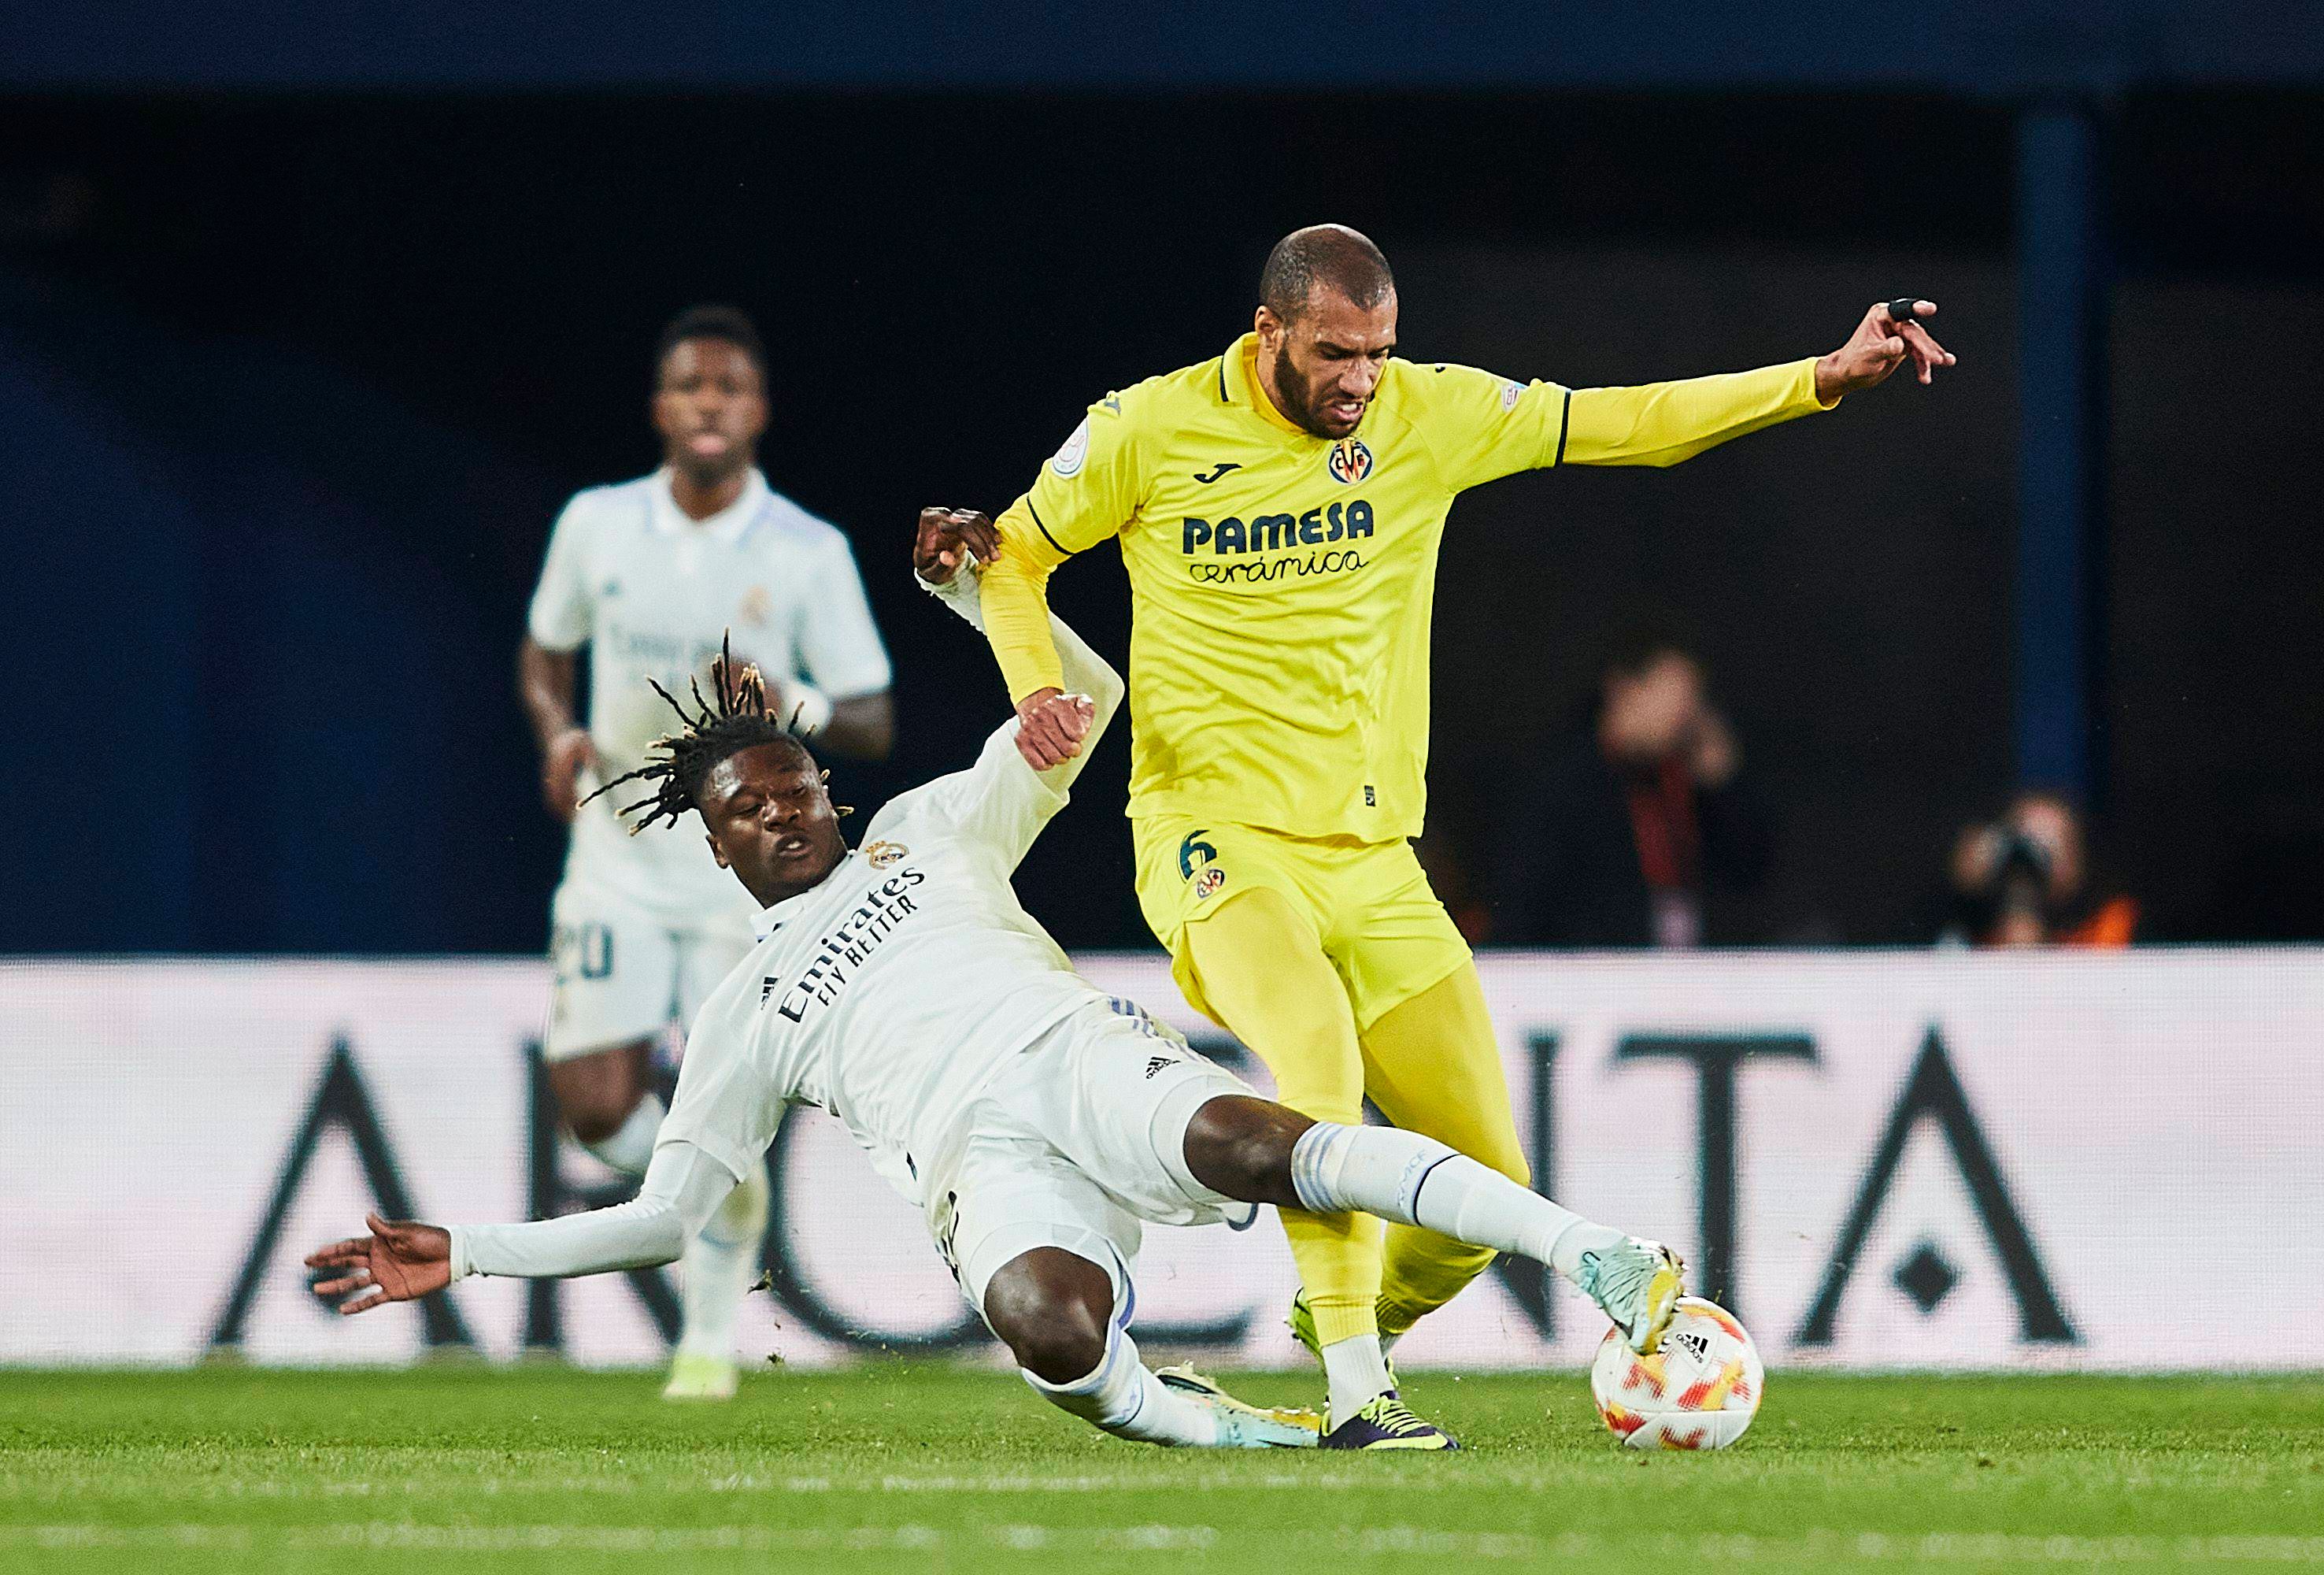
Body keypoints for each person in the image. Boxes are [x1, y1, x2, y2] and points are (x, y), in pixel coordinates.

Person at [306, 510, 1687, 1454]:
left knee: (1265, 1143)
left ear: (826, 790)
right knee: (1048, 1331)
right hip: (978, 1163)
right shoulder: (743, 1011)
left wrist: (980, 601)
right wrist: (471, 1251)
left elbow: (1088, 706)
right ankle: (1219, 1428)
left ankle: (1598, 1254)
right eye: (749, 811)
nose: (781, 814)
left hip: (1076, 1057)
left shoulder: (930, 826)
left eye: (794, 788)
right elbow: (667, 1219)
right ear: (717, 844)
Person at [958, 224, 1954, 1444]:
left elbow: (1625, 423)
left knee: (1487, 1187)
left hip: (1376, 863)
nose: (1360, 381)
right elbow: (1010, 554)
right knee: (1314, 1063)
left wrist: (1819, 379)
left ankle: (1343, 1328)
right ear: (1269, 331)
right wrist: (1033, 689)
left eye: (1378, 353)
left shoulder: (1426, 415)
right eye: (1335, 354)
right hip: (1213, 839)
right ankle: (1358, 1400)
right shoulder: (1147, 430)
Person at [515, 304, 895, 1399]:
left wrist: (792, 701)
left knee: (728, 1095)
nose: (710, 403)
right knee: (596, 1110)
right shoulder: (597, 525)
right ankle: (721, 1194)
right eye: (692, 385)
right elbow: (544, 653)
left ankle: (708, 1343)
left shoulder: (806, 550)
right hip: (616, 854)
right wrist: (559, 732)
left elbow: (872, 721)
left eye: (729, 387)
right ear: (662, 407)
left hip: (743, 876)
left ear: (759, 410)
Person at [1493, 631, 1774, 948]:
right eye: (1669, 697)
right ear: (1624, 689)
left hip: (1685, 962)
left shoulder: (1684, 777)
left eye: (1690, 701)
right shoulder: (1563, 782)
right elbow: (1527, 904)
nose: (1682, 717)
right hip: (1596, 967)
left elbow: (1747, 873)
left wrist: (1724, 787)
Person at [1941, 790, 2137, 948]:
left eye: (2049, 845)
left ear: (2077, 861)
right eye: (2024, 841)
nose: (2031, 860)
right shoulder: (1969, 928)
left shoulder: (2108, 925)